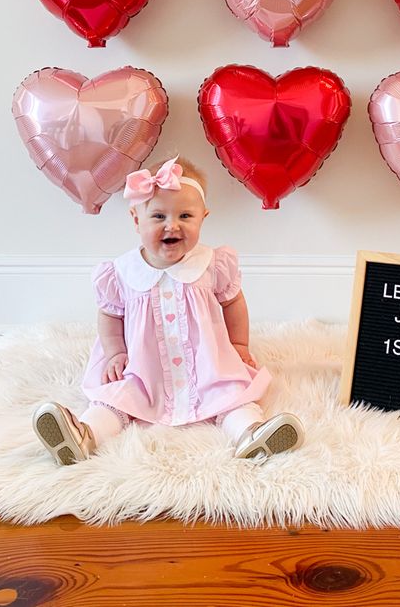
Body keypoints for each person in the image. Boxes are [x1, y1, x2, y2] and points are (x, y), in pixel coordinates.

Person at [33, 155, 304, 465]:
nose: (172, 225)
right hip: (142, 366)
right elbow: (110, 314)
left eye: (185, 216)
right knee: (117, 398)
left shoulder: (212, 264)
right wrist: (115, 353)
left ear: (204, 217)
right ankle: (83, 435)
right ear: (136, 220)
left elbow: (233, 302)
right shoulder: (122, 272)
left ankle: (251, 434)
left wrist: (239, 345)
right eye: (158, 216)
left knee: (230, 392)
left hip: (206, 363)